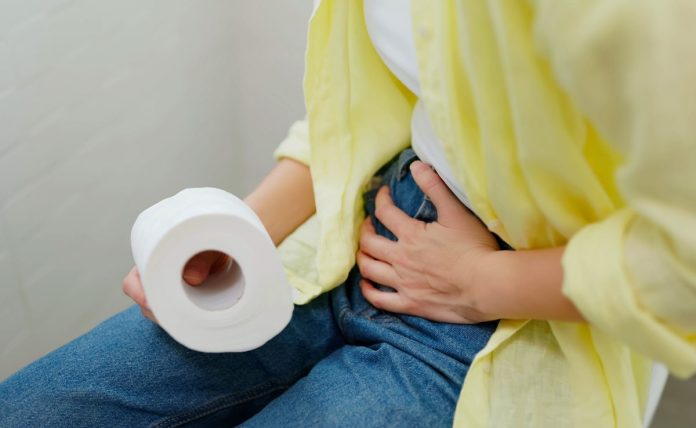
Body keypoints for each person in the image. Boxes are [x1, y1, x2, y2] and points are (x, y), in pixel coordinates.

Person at [2, 1, 696, 426]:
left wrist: (477, 283)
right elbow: (382, 98)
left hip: (512, 308)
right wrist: (243, 234)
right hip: (353, 235)